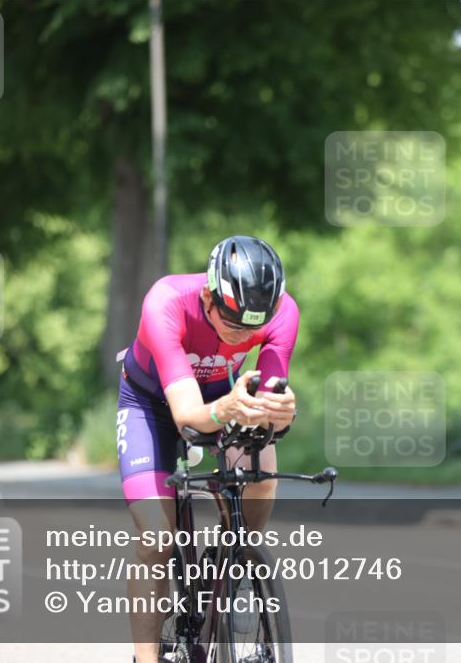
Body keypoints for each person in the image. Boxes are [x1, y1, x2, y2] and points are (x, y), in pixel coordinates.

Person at [117, 236, 298, 663]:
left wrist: (282, 414)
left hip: (222, 397)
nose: (245, 335)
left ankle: (235, 570)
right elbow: (187, 416)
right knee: (157, 540)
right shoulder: (166, 301)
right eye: (234, 325)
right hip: (154, 405)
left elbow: (270, 406)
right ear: (207, 297)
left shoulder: (283, 312)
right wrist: (231, 407)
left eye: (254, 328)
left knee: (261, 472)